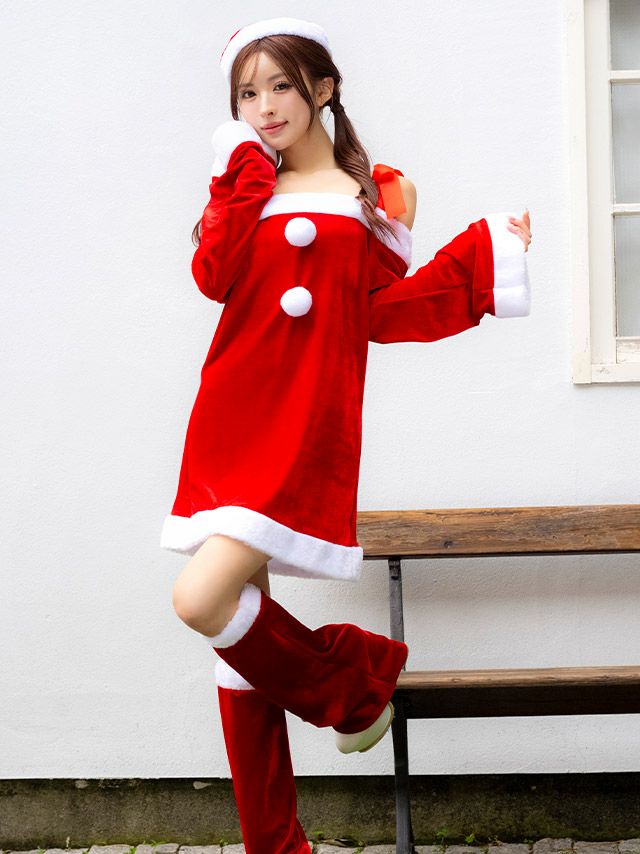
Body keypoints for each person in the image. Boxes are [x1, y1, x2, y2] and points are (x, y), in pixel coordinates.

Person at [161, 16, 533, 852]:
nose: (264, 107)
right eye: (246, 94)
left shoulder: (380, 194)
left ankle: (356, 685)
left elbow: (382, 313)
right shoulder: (242, 182)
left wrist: (486, 257)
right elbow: (213, 277)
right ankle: (275, 843)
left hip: (306, 422)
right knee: (238, 633)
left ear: (323, 87)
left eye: (280, 86)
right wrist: (238, 176)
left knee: (201, 601)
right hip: (230, 415)